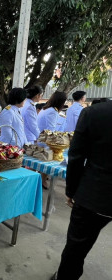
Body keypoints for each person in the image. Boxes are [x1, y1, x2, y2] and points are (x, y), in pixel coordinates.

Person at [51, 101, 112, 280]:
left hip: (96, 195)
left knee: (76, 248)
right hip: (97, 195)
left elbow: (76, 156)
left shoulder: (95, 113)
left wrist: (71, 191)